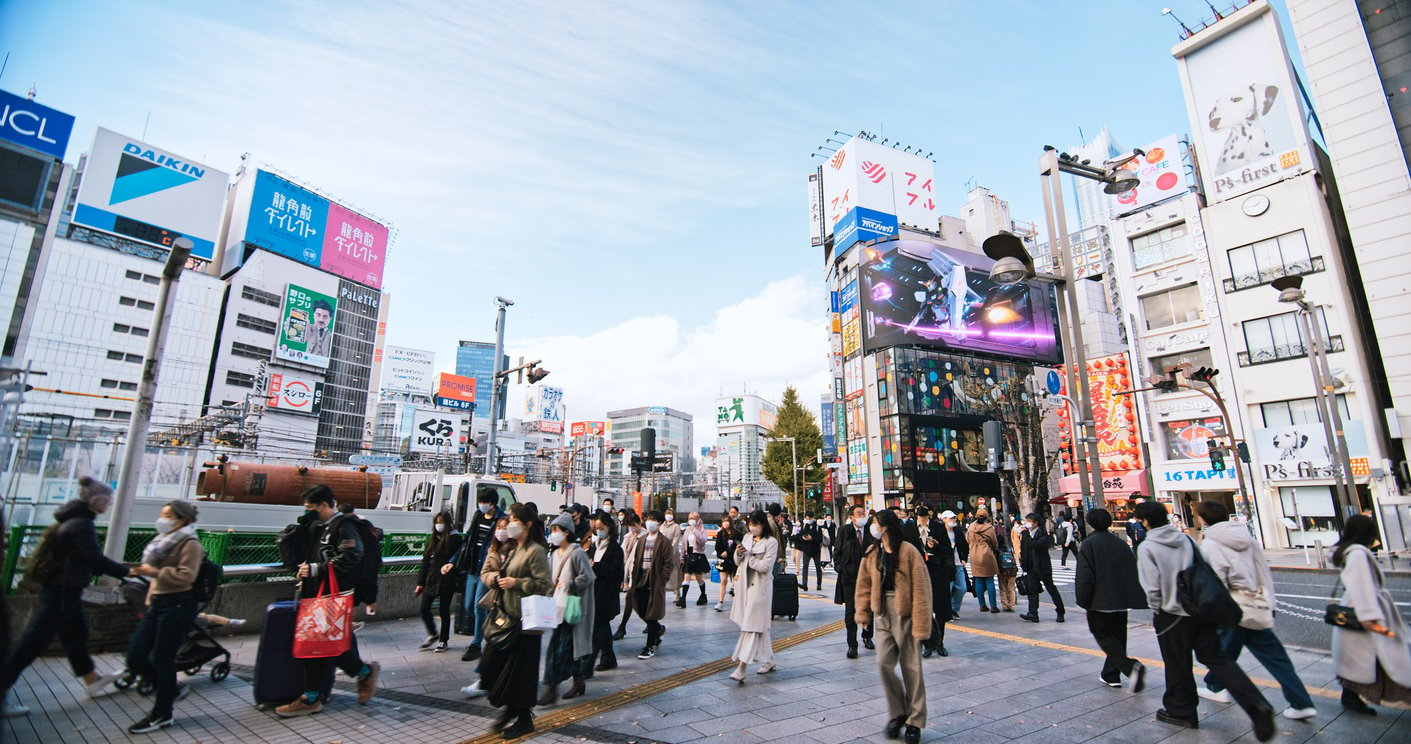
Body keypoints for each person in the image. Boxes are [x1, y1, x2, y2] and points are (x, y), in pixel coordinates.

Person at [1134, 501, 1275, 739]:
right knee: (1218, 659)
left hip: (1172, 613)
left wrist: (1157, 607)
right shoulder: (1185, 539)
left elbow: (1152, 585)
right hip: (1200, 609)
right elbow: (1203, 567)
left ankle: (1182, 710)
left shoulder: (1148, 547)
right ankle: (1256, 704)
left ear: (1145, 521)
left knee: (1177, 662)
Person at [1, 477, 131, 718]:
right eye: (108, 498)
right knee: (34, 642)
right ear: (98, 501)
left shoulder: (72, 519)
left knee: (75, 633)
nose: (111, 502)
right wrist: (128, 571)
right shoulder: (82, 523)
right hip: (63, 589)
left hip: (61, 588)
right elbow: (94, 558)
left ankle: (91, 679)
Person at [1193, 501, 1316, 719]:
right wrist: (1270, 602)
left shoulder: (1210, 545)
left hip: (1233, 609)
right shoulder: (1247, 539)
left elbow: (1216, 582)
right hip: (1256, 604)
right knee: (1275, 657)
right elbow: (1263, 572)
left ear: (1203, 519)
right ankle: (1301, 702)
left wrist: (1211, 613)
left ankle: (1216, 687)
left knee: (1221, 654)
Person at [276, 486, 380, 717]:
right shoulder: (316, 526)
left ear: (323, 505)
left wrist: (316, 569)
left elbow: (353, 556)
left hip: (333, 596)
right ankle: (359, 674)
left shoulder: (344, 526)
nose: (308, 512)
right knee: (321, 646)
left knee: (320, 645)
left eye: (310, 508)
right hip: (315, 596)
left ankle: (313, 696)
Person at [122, 500, 204, 734]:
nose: (163, 519)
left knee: (162, 659)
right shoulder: (161, 542)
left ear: (182, 519)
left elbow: (187, 576)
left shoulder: (190, 543)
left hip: (177, 604)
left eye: (168, 515)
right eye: (162, 514)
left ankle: (162, 713)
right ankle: (170, 690)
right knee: (135, 655)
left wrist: (154, 572)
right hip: (157, 603)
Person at [855, 509, 930, 744]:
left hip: (905, 610)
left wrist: (921, 623)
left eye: (875, 522)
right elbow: (863, 584)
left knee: (912, 667)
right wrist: (863, 613)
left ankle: (915, 720)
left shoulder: (908, 551)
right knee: (883, 664)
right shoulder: (872, 552)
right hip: (882, 612)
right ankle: (898, 712)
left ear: (886, 526)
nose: (872, 526)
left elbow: (921, 588)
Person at [478, 504, 552, 738]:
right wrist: (497, 579)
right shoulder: (512, 549)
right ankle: (511, 709)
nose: (510, 524)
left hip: (525, 621)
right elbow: (494, 573)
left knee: (521, 674)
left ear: (527, 524)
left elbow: (544, 585)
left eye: (514, 520)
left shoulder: (536, 551)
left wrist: (516, 583)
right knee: (491, 668)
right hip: (505, 616)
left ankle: (522, 717)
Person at [1330, 513, 1411, 714]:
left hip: (1357, 610)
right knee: (1385, 656)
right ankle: (1354, 697)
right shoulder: (1358, 553)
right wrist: (1369, 617)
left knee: (1363, 660)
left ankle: (1350, 696)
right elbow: (1361, 586)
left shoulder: (1351, 551)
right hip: (1365, 612)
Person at [1074, 508, 1147, 691]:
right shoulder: (1120, 543)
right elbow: (1132, 570)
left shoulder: (1089, 544)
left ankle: (1130, 667)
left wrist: (1083, 599)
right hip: (1120, 600)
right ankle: (1111, 674)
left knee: (1103, 635)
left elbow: (1085, 576)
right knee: (1118, 637)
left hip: (1100, 600)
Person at [540, 513, 596, 704]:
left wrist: (570, 584)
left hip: (573, 607)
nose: (553, 534)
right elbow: (551, 580)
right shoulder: (554, 554)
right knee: (561, 647)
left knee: (563, 649)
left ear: (566, 532)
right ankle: (577, 680)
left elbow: (588, 577)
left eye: (556, 530)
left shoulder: (577, 552)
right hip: (558, 606)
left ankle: (552, 687)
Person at [447, 489, 504, 662]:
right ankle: (488, 633)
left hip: (488, 568)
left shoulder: (500, 520)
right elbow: (467, 541)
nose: (482, 505)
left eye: (484, 502)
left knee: (479, 606)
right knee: (468, 606)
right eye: (481, 502)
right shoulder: (478, 517)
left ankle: (476, 644)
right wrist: (453, 561)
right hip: (472, 566)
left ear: (492, 503)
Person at [460, 516, 511, 699]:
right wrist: (497, 578)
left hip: (512, 608)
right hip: (497, 603)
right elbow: (485, 574)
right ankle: (485, 679)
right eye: (499, 528)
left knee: (500, 645)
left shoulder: (517, 550)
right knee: (492, 641)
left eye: (504, 528)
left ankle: (490, 680)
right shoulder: (493, 549)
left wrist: (512, 580)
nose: (501, 531)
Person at [728, 510, 779, 682]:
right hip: (745, 585)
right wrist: (740, 552)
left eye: (756, 524)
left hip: (760, 588)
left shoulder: (771, 542)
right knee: (758, 626)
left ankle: (741, 667)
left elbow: (765, 566)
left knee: (751, 627)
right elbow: (737, 561)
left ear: (763, 524)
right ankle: (770, 660)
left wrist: (749, 558)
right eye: (750, 524)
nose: (752, 527)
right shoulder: (747, 538)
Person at [625, 510, 676, 659]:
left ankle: (649, 646)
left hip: (654, 581)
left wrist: (661, 580)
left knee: (651, 613)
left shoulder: (664, 542)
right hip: (640, 579)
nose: (649, 522)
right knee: (638, 606)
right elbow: (636, 560)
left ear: (659, 523)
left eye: (653, 520)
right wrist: (632, 576)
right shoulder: (642, 540)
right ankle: (658, 629)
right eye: (648, 519)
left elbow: (668, 564)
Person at [906, 504, 954, 658]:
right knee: (922, 609)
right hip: (917, 572)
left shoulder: (938, 528)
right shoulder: (908, 527)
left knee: (940, 608)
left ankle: (939, 642)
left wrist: (937, 547)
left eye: (924, 508)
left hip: (937, 571)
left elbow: (948, 551)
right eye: (918, 507)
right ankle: (927, 643)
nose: (921, 510)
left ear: (930, 511)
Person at [416, 510, 462, 653]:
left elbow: (458, 559)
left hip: (447, 579)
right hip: (432, 578)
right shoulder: (432, 538)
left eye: (441, 522)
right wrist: (420, 582)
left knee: (444, 611)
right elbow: (425, 561)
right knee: (424, 608)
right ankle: (433, 634)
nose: (438, 525)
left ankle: (443, 640)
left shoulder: (455, 539)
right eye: (436, 522)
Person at [585, 511, 623, 673]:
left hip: (606, 596)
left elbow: (616, 572)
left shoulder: (615, 549)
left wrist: (596, 566)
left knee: (597, 631)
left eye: (601, 527)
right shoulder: (594, 545)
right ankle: (608, 658)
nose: (598, 530)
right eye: (596, 527)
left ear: (609, 527)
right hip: (593, 594)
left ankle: (586, 667)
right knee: (603, 628)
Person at [835, 504, 874, 657]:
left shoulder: (871, 529)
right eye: (858, 513)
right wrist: (840, 568)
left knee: (868, 609)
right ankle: (852, 645)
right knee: (850, 613)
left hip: (868, 578)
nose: (862, 516)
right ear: (851, 517)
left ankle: (867, 636)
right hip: (849, 578)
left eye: (863, 513)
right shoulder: (844, 531)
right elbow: (837, 551)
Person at [1018, 512, 1065, 623]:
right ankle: (1033, 613)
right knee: (1032, 590)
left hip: (1042, 566)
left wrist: (1027, 535)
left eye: (1029, 521)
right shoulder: (1026, 534)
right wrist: (1023, 564)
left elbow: (1037, 546)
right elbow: (1024, 549)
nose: (1027, 523)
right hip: (1030, 566)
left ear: (1036, 522)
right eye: (1026, 520)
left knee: (1051, 588)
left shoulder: (1043, 534)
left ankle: (1060, 611)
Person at [613, 511, 643, 640]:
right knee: (634, 601)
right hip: (629, 573)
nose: (631, 527)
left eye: (633, 524)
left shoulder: (645, 536)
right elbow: (623, 557)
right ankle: (655, 627)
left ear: (639, 523)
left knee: (634, 601)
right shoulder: (627, 537)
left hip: (642, 574)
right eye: (629, 525)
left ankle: (622, 627)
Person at [965, 509, 999, 613]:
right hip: (986, 553)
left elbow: (967, 539)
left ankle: (982, 605)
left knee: (978, 580)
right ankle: (993, 606)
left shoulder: (971, 527)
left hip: (974, 554)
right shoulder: (989, 528)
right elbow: (994, 542)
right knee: (989, 580)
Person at [939, 511, 968, 618]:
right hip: (946, 564)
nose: (953, 520)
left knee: (962, 588)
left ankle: (954, 608)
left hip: (958, 563)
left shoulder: (958, 532)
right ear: (944, 519)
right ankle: (947, 611)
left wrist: (964, 559)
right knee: (947, 589)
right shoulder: (940, 532)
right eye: (951, 518)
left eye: (954, 518)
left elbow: (965, 547)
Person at [679, 512, 711, 606]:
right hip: (689, 555)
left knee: (699, 577)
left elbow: (703, 541)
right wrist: (682, 556)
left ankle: (703, 595)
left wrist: (695, 531)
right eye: (690, 518)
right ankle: (683, 598)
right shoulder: (687, 530)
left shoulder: (701, 530)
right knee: (687, 576)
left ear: (698, 519)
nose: (692, 519)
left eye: (694, 518)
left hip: (698, 555)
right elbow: (684, 544)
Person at [660, 508, 686, 607]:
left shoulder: (676, 526)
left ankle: (677, 593)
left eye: (670, 513)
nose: (668, 515)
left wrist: (670, 551)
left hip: (672, 552)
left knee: (675, 573)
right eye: (667, 513)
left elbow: (676, 540)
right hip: (662, 551)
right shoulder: (661, 526)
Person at [714, 516, 740, 612]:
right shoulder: (720, 534)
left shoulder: (736, 534)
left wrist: (729, 552)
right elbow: (717, 547)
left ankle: (738, 602)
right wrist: (721, 554)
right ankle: (720, 602)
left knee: (736, 582)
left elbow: (738, 546)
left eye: (727, 521)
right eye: (723, 521)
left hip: (734, 560)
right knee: (723, 581)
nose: (725, 523)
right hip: (723, 560)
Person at [796, 514, 824, 591]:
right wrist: (802, 537)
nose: (808, 519)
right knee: (805, 567)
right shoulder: (803, 526)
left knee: (818, 567)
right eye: (807, 518)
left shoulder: (817, 526)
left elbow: (820, 539)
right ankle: (804, 584)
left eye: (810, 518)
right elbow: (799, 536)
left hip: (816, 550)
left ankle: (819, 584)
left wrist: (812, 538)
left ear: (812, 518)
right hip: (806, 550)